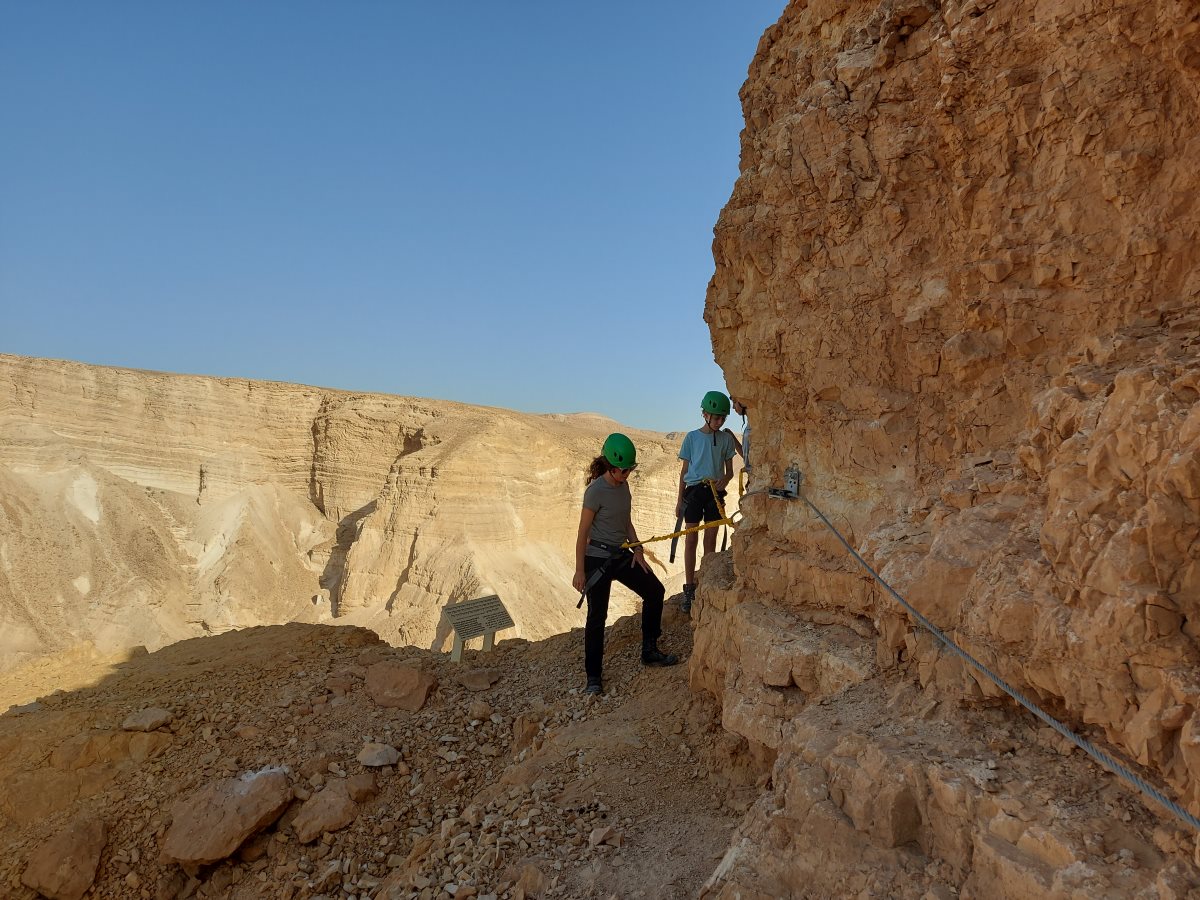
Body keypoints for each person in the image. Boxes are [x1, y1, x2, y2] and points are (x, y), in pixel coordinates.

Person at [573, 433, 679, 695]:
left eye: (630, 470)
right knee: (597, 617)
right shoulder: (595, 491)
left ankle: (649, 650)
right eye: (624, 470)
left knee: (655, 591)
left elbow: (626, 521)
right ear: (611, 466)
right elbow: (582, 532)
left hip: (621, 554)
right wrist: (579, 570)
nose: (627, 474)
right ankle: (594, 677)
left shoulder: (623, 487)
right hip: (597, 559)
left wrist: (638, 549)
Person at [676, 392, 737, 613]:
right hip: (693, 492)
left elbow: (730, 471)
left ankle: (707, 583)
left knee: (710, 541)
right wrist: (678, 502)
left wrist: (725, 480)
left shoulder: (726, 439)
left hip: (714, 493)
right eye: (716, 417)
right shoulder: (691, 438)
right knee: (690, 540)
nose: (720, 422)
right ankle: (689, 587)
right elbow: (684, 472)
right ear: (705, 414)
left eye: (723, 418)